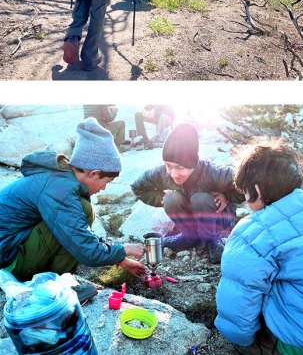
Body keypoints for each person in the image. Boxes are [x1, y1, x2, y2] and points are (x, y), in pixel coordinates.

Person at [215, 141, 303, 354]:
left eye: (245, 193)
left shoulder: (252, 232)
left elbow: (238, 306)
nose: (246, 201)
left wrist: (239, 339)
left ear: (256, 190)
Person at [0, 118, 147, 282]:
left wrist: (119, 259)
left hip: (10, 247)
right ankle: (57, 284)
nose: (104, 188)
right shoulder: (59, 188)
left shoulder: (59, 178)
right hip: (7, 262)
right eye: (106, 182)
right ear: (93, 173)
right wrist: (124, 250)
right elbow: (86, 249)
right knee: (85, 209)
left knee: (79, 213)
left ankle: (55, 279)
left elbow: (76, 230)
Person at [131, 123, 244, 263]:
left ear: (193, 163)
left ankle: (211, 240)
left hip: (218, 218)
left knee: (199, 198)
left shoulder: (213, 172)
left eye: (180, 167)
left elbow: (246, 183)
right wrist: (161, 199)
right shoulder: (161, 173)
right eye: (169, 166)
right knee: (171, 198)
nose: (174, 174)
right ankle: (189, 236)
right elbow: (137, 187)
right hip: (189, 219)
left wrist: (227, 196)